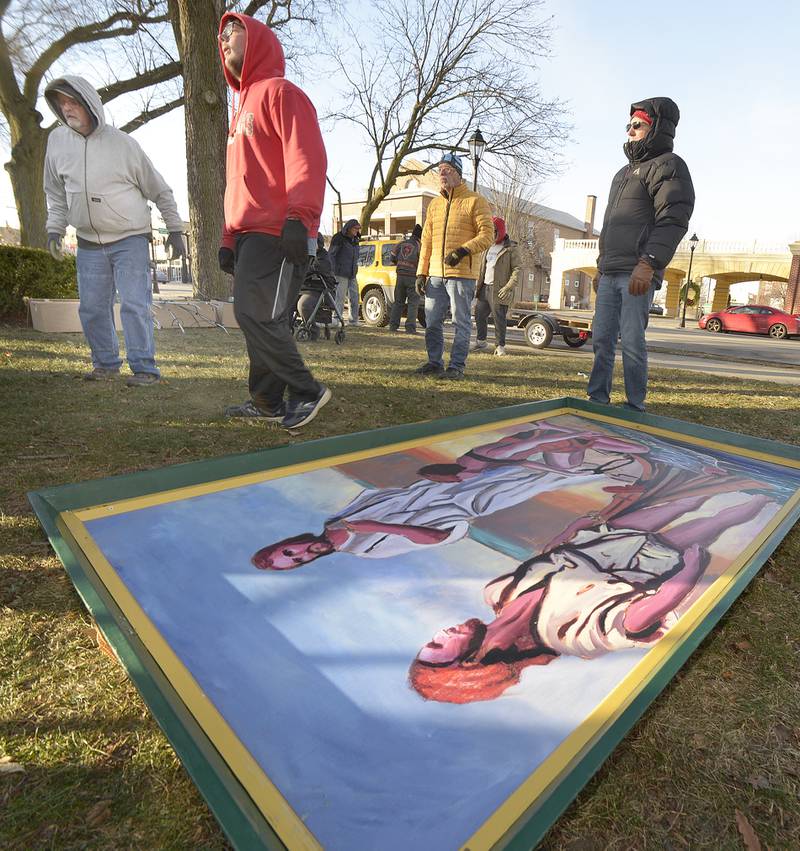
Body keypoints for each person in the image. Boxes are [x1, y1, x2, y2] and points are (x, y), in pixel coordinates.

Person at [410, 470, 777, 704]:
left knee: (688, 498)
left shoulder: (496, 592)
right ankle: (766, 495)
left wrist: (572, 531)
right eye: (438, 644)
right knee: (723, 518)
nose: (440, 632)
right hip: (646, 560)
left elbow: (547, 556)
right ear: (470, 663)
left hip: (603, 537)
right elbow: (634, 622)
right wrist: (689, 572)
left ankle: (736, 476)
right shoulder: (568, 639)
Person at [250, 422, 651, 569]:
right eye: (297, 563)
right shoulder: (366, 548)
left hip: (444, 485)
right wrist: (366, 525)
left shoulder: (334, 520)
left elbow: (393, 494)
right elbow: (435, 537)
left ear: (290, 542)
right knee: (532, 475)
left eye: (291, 552)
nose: (302, 555)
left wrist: (427, 477)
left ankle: (573, 438)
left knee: (485, 455)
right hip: (467, 505)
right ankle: (581, 444)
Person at [217, 14, 330, 429]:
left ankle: (307, 390)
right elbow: (237, 182)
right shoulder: (239, 110)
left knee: (259, 316)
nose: (225, 38)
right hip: (249, 234)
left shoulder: (282, 93)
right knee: (257, 318)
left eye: (234, 31)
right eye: (222, 34)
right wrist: (229, 237)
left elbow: (307, 158)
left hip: (281, 232)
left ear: (259, 39)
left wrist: (300, 219)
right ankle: (266, 402)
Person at [43, 76, 186, 387]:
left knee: (135, 304)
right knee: (92, 308)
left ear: (91, 104)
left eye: (73, 102)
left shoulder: (123, 145)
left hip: (129, 239)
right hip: (87, 242)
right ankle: (105, 364)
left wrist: (174, 230)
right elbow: (54, 193)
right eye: (62, 103)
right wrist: (55, 229)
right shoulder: (56, 142)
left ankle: (145, 369)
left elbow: (160, 190)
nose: (67, 108)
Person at [588, 98, 695, 412]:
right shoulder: (622, 174)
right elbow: (610, 225)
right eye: (629, 125)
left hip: (637, 272)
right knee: (601, 340)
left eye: (638, 125)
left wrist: (649, 262)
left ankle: (635, 406)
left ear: (655, 128)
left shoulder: (670, 165)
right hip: (610, 272)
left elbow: (673, 219)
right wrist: (600, 266)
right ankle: (597, 399)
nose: (630, 130)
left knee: (632, 342)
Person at [414, 153, 494, 380]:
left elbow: (488, 235)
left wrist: (462, 251)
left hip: (462, 274)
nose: (442, 173)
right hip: (436, 275)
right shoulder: (434, 205)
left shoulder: (475, 201)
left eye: (447, 169)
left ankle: (456, 366)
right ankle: (434, 362)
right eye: (440, 169)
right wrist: (422, 272)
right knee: (431, 321)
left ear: (459, 174)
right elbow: (427, 240)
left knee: (460, 322)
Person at [471, 216, 520, 357]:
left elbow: (517, 269)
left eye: (494, 231)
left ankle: (500, 346)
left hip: (500, 290)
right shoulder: (487, 246)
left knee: (499, 319)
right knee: (479, 315)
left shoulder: (511, 248)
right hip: (484, 287)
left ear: (501, 231)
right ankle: (481, 341)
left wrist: (508, 287)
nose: (491, 234)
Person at [388, 224, 423, 334]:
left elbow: (392, 257)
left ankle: (393, 326)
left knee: (398, 302)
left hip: (400, 277)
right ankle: (410, 328)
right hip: (413, 277)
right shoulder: (419, 245)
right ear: (420, 236)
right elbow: (423, 261)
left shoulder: (401, 243)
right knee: (413, 303)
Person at [329, 219, 361, 327]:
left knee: (355, 296)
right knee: (340, 297)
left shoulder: (356, 240)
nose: (357, 231)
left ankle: (353, 320)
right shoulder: (338, 238)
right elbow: (331, 255)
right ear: (349, 228)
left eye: (358, 229)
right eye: (355, 228)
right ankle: (336, 319)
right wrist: (332, 271)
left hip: (352, 273)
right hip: (340, 273)